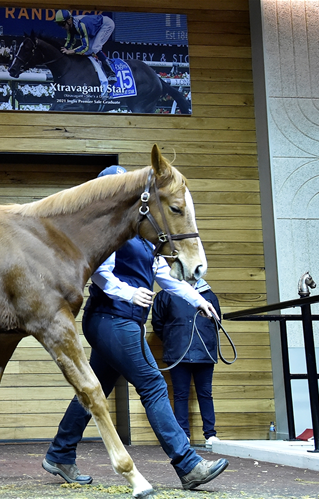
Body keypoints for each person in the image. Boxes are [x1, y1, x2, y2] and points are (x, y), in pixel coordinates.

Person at [42, 165, 228, 491]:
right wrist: (128, 292)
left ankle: (60, 453)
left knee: (92, 391)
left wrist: (198, 298)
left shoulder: (141, 234)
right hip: (111, 318)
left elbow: (165, 276)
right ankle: (188, 465)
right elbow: (98, 273)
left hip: (122, 321)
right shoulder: (104, 233)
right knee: (154, 386)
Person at [151, 279, 222, 447]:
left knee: (205, 394)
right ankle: (183, 435)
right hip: (178, 353)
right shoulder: (166, 295)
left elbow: (217, 323)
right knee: (180, 395)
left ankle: (210, 435)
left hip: (203, 352)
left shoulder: (209, 295)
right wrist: (173, 339)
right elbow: (158, 323)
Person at [54, 10, 115, 80]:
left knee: (95, 48)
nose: (62, 27)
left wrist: (72, 51)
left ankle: (111, 73)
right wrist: (64, 50)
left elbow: (85, 47)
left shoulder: (80, 25)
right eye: (59, 24)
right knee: (90, 50)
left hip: (106, 24)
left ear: (69, 20)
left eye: (63, 24)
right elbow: (70, 41)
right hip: (95, 29)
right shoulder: (70, 27)